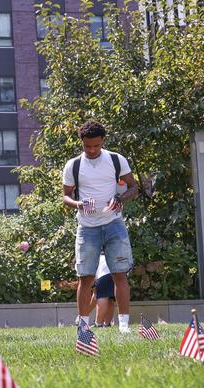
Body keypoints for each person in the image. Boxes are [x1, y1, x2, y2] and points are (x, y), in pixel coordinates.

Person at [61, 120, 139, 333]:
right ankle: (84, 327)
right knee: (85, 277)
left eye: (96, 145)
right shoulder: (73, 165)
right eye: (87, 146)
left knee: (120, 274)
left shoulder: (116, 160)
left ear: (103, 141)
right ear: (82, 143)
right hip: (87, 228)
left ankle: (123, 327)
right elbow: (65, 196)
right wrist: (78, 204)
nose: (92, 150)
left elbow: (133, 187)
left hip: (114, 223)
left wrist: (121, 199)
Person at [93, 254, 116, 327]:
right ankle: (107, 323)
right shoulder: (108, 254)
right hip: (116, 274)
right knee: (111, 299)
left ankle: (98, 323)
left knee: (102, 297)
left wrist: (95, 292)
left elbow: (93, 278)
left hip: (103, 275)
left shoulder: (93, 259)